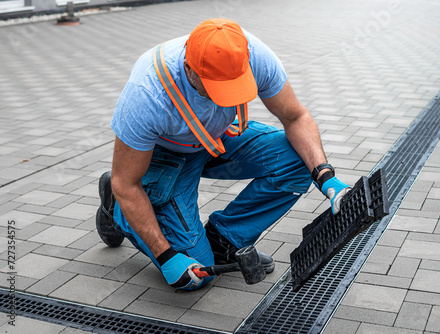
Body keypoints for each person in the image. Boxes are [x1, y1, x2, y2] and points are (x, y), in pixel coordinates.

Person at [96, 18, 351, 291]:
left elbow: (296, 116)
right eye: (218, 88)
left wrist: (325, 176)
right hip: (167, 157)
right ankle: (117, 209)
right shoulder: (147, 95)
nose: (228, 98)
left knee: (299, 161)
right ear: (189, 71)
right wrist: (166, 256)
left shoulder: (249, 54)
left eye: (235, 86)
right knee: (196, 274)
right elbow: (127, 182)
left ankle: (224, 241)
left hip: (219, 139)